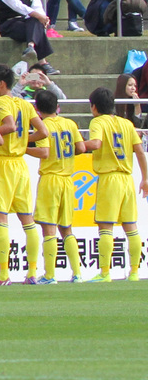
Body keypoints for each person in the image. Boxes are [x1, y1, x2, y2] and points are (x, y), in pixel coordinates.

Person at [0, 64, 42, 285]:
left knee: (0, 217)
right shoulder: (24, 104)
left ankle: (3, 273)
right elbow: (42, 131)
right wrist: (23, 143)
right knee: (27, 219)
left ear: (1, 84)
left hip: (3, 164)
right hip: (21, 165)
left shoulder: (1, 102)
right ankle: (32, 272)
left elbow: (9, 125)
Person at [85, 86, 147, 281]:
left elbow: (95, 144)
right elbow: (139, 151)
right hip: (127, 178)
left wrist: (79, 145)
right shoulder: (127, 124)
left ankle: (105, 272)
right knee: (131, 226)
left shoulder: (97, 122)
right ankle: (135, 272)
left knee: (105, 226)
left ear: (94, 107)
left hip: (109, 178)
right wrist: (145, 178)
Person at [28, 89, 87, 282]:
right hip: (68, 180)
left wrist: (23, 148)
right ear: (57, 106)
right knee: (67, 228)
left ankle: (49, 274)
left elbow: (44, 152)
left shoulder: (44, 126)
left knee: (49, 228)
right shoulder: (70, 124)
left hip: (51, 178)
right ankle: (77, 273)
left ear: (37, 109)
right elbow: (81, 148)